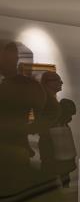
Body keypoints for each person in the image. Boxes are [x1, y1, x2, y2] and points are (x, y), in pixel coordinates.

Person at [0, 41, 46, 191]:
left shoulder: (29, 86)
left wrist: (24, 130)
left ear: (15, 59)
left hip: (15, 149)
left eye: (7, 58)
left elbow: (45, 116)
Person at [38, 71, 77, 186]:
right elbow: (47, 123)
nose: (61, 82)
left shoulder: (49, 99)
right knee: (51, 176)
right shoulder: (45, 100)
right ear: (48, 83)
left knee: (60, 175)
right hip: (51, 143)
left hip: (56, 142)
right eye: (57, 80)